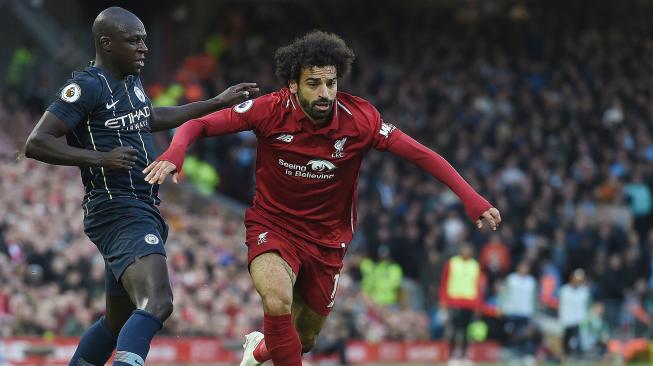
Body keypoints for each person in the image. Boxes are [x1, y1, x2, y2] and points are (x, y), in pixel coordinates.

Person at [144, 31, 502, 366]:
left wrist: (470, 198)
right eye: (313, 84)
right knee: (277, 298)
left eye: (330, 83)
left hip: (328, 240)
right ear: (292, 84)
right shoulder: (269, 110)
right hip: (273, 226)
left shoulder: (359, 119)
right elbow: (199, 124)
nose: (325, 93)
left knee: (305, 338)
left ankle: (260, 348)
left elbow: (421, 154)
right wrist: (176, 150)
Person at [23, 7, 258, 366]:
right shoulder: (86, 86)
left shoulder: (130, 81)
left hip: (138, 205)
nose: (143, 48)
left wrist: (215, 103)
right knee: (158, 302)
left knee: (118, 322)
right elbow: (36, 142)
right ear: (106, 43)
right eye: (134, 41)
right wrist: (99, 158)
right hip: (118, 207)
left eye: (145, 41)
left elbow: (149, 117)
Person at [439, 243, 485, 362]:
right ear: (460, 251)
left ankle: (464, 355)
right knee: (454, 329)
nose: (466, 252)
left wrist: (478, 305)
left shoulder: (475, 265)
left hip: (470, 302)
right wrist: (443, 300)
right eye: (464, 249)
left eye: (468, 250)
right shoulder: (452, 263)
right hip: (454, 300)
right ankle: (452, 355)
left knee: (466, 330)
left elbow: (479, 286)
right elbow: (444, 282)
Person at [559, 269, 591, 361]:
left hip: (579, 320)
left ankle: (579, 358)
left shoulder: (585, 292)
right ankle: (565, 356)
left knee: (578, 341)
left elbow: (588, 306)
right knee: (566, 341)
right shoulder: (564, 290)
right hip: (566, 320)